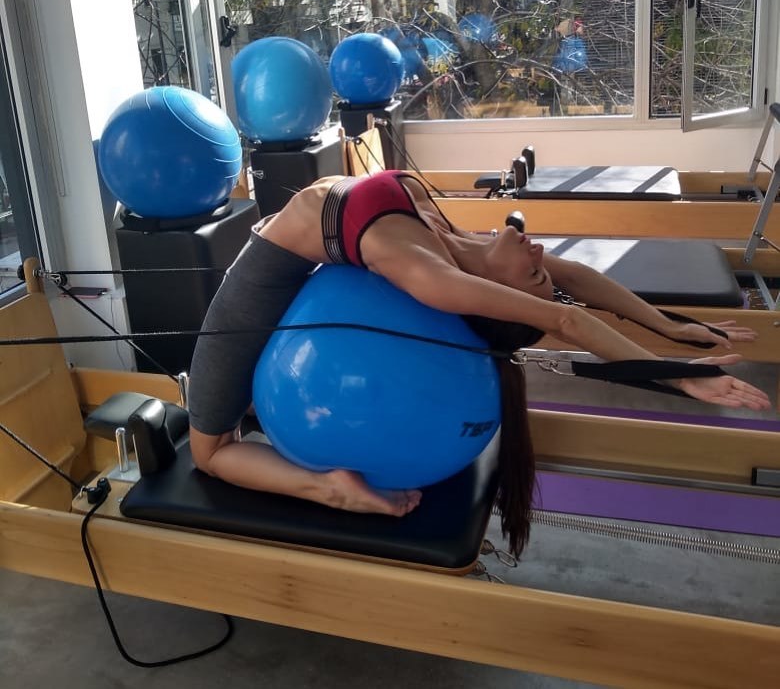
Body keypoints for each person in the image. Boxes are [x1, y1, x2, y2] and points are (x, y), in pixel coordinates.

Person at [187, 169, 770, 556]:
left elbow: (568, 321)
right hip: (310, 292)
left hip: (262, 285)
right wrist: (672, 326)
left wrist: (680, 378)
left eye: (533, 273)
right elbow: (577, 281)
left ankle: (327, 488)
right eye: (540, 265)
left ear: (496, 293)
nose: (539, 252)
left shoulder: (433, 277)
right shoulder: (461, 243)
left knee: (210, 452)